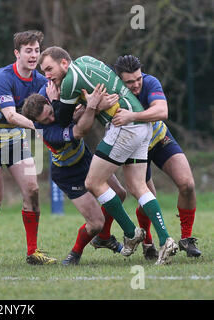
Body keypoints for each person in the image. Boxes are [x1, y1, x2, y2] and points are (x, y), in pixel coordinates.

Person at [39, 46, 178, 265]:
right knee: (137, 186)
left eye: (49, 68)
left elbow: (62, 119)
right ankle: (166, 239)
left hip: (124, 127)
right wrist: (88, 105)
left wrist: (55, 100)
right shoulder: (86, 59)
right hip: (143, 126)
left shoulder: (68, 83)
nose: (47, 75)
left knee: (94, 182)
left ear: (64, 63)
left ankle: (132, 232)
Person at [0, 30, 57, 265]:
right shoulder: (3, 77)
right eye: (28, 50)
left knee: (32, 190)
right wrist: (39, 126)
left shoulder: (41, 81)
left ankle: (33, 252)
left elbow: (54, 105)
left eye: (37, 50)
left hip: (15, 141)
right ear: (17, 53)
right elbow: (10, 115)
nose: (33, 55)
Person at [22, 83, 127, 265]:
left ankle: (103, 237)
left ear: (48, 102)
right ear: (38, 122)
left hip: (85, 158)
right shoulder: (49, 132)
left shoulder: (47, 97)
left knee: (119, 194)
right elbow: (79, 131)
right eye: (46, 119)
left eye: (51, 112)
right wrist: (92, 107)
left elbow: (61, 88)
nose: (53, 118)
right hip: (68, 174)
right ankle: (75, 254)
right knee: (95, 223)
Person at [108, 54, 200, 258]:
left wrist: (132, 116)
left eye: (138, 79)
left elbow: (162, 111)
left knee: (187, 184)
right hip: (133, 148)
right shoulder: (111, 91)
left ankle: (186, 238)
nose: (136, 85)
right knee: (147, 198)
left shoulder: (150, 82)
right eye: (130, 82)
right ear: (119, 80)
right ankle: (148, 242)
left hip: (159, 139)